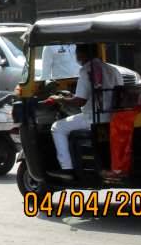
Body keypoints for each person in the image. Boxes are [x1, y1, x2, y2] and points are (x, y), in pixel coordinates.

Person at [49, 42, 123, 178]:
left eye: (77, 53)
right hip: (112, 117)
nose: (76, 56)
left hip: (93, 118)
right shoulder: (113, 70)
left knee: (57, 127)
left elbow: (80, 101)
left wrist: (60, 99)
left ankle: (67, 169)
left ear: (83, 54)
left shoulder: (86, 70)